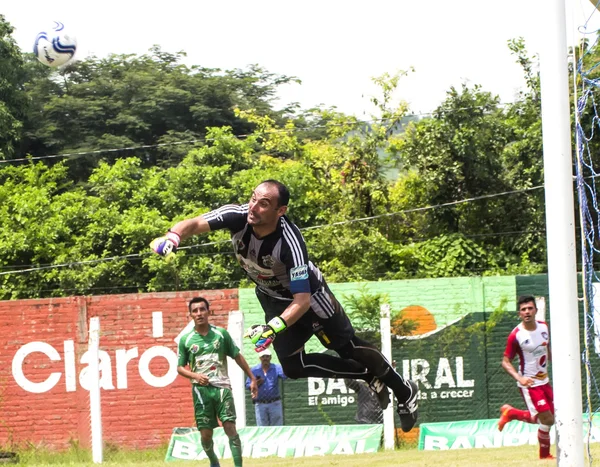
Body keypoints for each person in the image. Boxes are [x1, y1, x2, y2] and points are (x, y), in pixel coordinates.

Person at [153, 179, 419, 432]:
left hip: (311, 298)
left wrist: (271, 329)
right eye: (253, 199)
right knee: (293, 368)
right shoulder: (238, 215)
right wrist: (173, 238)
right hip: (272, 299)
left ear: (281, 210)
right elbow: (194, 222)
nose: (253, 208)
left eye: (264, 204)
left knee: (345, 347)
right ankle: (367, 375)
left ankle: (405, 391)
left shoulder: (290, 242)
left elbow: (302, 301)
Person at [177, 296, 258, 467]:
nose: (199, 313)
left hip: (222, 388)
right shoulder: (186, 340)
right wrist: (195, 376)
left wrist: (252, 378)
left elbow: (237, 356)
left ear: (208, 311)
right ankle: (214, 462)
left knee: (230, 427)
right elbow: (179, 368)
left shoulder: (221, 334)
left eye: (202, 309)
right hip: (201, 391)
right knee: (206, 434)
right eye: (195, 311)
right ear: (190, 315)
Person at [497, 295, 554, 460]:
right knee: (547, 419)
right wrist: (520, 378)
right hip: (530, 384)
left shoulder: (544, 327)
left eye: (530, 308)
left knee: (550, 418)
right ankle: (544, 456)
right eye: (523, 310)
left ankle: (511, 413)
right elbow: (505, 362)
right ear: (519, 314)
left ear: (535, 310)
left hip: (545, 381)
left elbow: (546, 349)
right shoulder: (516, 335)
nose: (527, 312)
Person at [245, 349, 287, 426]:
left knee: (277, 429)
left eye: (267, 356)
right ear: (260, 358)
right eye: (263, 356)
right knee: (262, 429)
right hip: (260, 404)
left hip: (274, 403)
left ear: (270, 357)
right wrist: (256, 383)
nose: (265, 358)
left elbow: (285, 376)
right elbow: (247, 385)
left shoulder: (276, 368)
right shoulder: (254, 370)